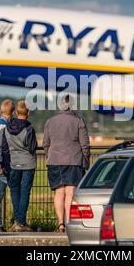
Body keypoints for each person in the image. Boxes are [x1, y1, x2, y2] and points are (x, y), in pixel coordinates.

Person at [43, 95, 90, 233]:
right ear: (72, 105)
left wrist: (49, 156)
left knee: (59, 192)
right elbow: (85, 145)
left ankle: (61, 223)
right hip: (74, 160)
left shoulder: (50, 121)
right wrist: (85, 160)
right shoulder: (78, 121)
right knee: (70, 192)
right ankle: (69, 221)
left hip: (54, 160)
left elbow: (46, 143)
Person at [4, 100, 37, 232]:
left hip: (13, 162)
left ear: (16, 112)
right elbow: (32, 147)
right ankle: (21, 222)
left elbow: (4, 147)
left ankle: (17, 221)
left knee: (14, 191)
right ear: (28, 113)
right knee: (25, 192)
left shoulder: (7, 127)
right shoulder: (29, 128)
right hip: (28, 163)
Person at [0, 99, 15, 232]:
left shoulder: (0, 124)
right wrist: (0, 163)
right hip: (4, 166)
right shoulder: (2, 126)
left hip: (3, 166)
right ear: (12, 112)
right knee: (0, 197)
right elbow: (0, 147)